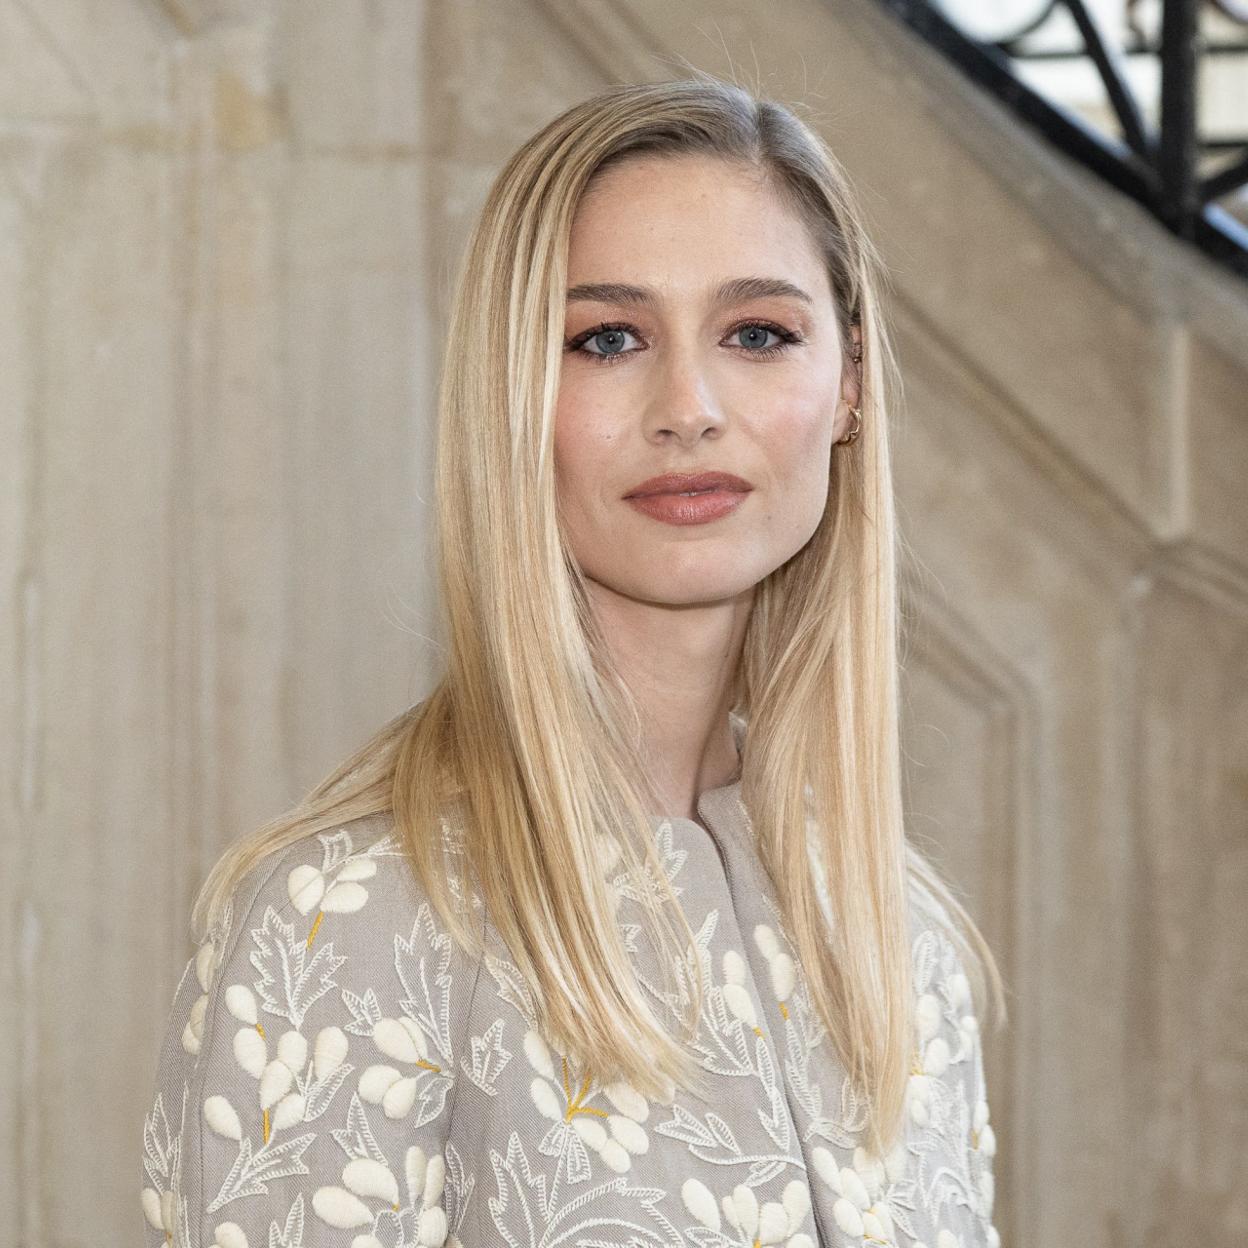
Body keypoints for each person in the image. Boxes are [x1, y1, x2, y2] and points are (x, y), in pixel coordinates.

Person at [141, 74, 1007, 1248]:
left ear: (848, 385)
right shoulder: (349, 925)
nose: (688, 406)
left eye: (758, 334)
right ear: (513, 396)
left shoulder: (904, 940)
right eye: (606, 338)